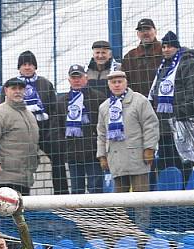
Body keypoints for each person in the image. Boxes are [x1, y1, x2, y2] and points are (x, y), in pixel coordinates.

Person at [149, 30, 194, 185]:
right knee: (167, 165)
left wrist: (179, 113)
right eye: (164, 46)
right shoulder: (163, 67)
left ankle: (185, 198)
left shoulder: (188, 64)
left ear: (177, 48)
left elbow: (193, 93)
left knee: (183, 163)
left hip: (182, 124)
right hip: (164, 126)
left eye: (170, 46)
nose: (166, 49)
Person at [15, 50, 69, 195]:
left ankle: (62, 196)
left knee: (58, 160)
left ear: (35, 66)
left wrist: (52, 130)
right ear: (19, 67)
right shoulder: (12, 85)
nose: (27, 67)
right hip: (22, 133)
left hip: (45, 131)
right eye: (24, 64)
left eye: (30, 64)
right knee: (23, 164)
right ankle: (22, 198)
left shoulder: (45, 83)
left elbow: (54, 109)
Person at [96, 70, 160, 193]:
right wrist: (102, 155)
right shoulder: (104, 107)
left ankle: (142, 214)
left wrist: (149, 148)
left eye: (120, 82)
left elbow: (150, 126)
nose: (117, 85)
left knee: (140, 198)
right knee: (120, 201)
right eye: (113, 82)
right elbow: (101, 133)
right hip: (115, 160)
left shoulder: (140, 101)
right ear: (109, 85)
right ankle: (122, 213)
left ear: (126, 83)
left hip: (137, 157)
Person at [0, 77, 40, 196]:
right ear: (6, 91)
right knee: (7, 212)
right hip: (5, 177)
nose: (17, 91)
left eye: (21, 88)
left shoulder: (29, 115)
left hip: (24, 178)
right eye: (14, 88)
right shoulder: (0, 112)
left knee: (21, 213)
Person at [57, 64, 106, 194]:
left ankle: (97, 214)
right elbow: (58, 127)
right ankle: (79, 215)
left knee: (95, 188)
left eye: (79, 77)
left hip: (94, 151)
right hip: (73, 152)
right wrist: (64, 147)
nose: (76, 80)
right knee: (76, 190)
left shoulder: (98, 97)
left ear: (86, 78)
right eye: (73, 77)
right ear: (69, 80)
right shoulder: (61, 102)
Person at [121, 18, 162, 97]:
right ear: (137, 34)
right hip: (137, 102)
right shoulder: (130, 56)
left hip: (162, 101)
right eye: (141, 30)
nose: (145, 33)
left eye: (148, 29)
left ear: (155, 31)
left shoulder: (165, 52)